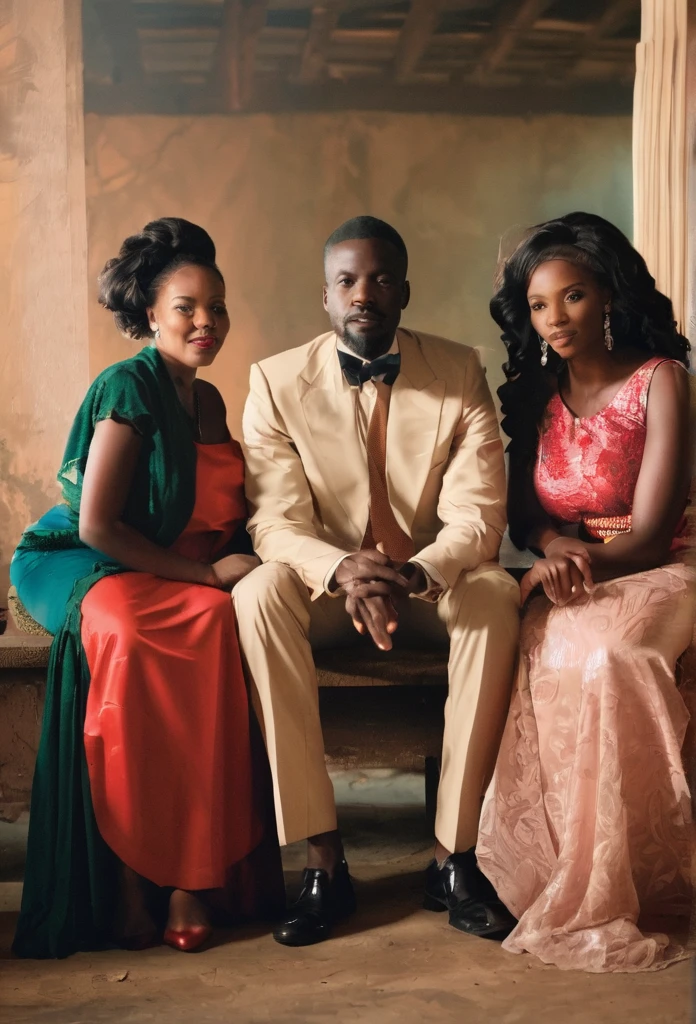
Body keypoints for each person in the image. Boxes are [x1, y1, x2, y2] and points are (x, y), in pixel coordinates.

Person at [233, 215, 520, 947]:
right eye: (347, 281)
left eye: (382, 279)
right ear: (326, 297)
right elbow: (275, 522)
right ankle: (323, 862)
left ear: (406, 291)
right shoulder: (273, 380)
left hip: (429, 585)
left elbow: (477, 513)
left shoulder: (459, 370)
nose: (365, 293)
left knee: (494, 590)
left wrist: (415, 572)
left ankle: (453, 856)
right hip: (332, 592)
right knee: (258, 589)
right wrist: (344, 571)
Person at [10, 218, 283, 959]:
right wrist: (203, 574)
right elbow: (97, 524)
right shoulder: (126, 386)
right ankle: (130, 873)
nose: (206, 322)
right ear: (151, 314)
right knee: (135, 637)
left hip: (169, 564)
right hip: (82, 558)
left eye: (217, 307)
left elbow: (224, 516)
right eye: (187, 306)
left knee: (217, 625)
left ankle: (191, 875)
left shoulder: (213, 402)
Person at [476, 212, 695, 973]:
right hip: (575, 571)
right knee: (549, 645)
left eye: (571, 298)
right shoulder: (538, 396)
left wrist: (573, 563)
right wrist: (550, 546)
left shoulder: (662, 380)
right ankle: (564, 870)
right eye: (539, 305)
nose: (555, 319)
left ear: (607, 296)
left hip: (665, 564)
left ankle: (635, 875)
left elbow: (654, 527)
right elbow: (528, 514)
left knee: (613, 655)